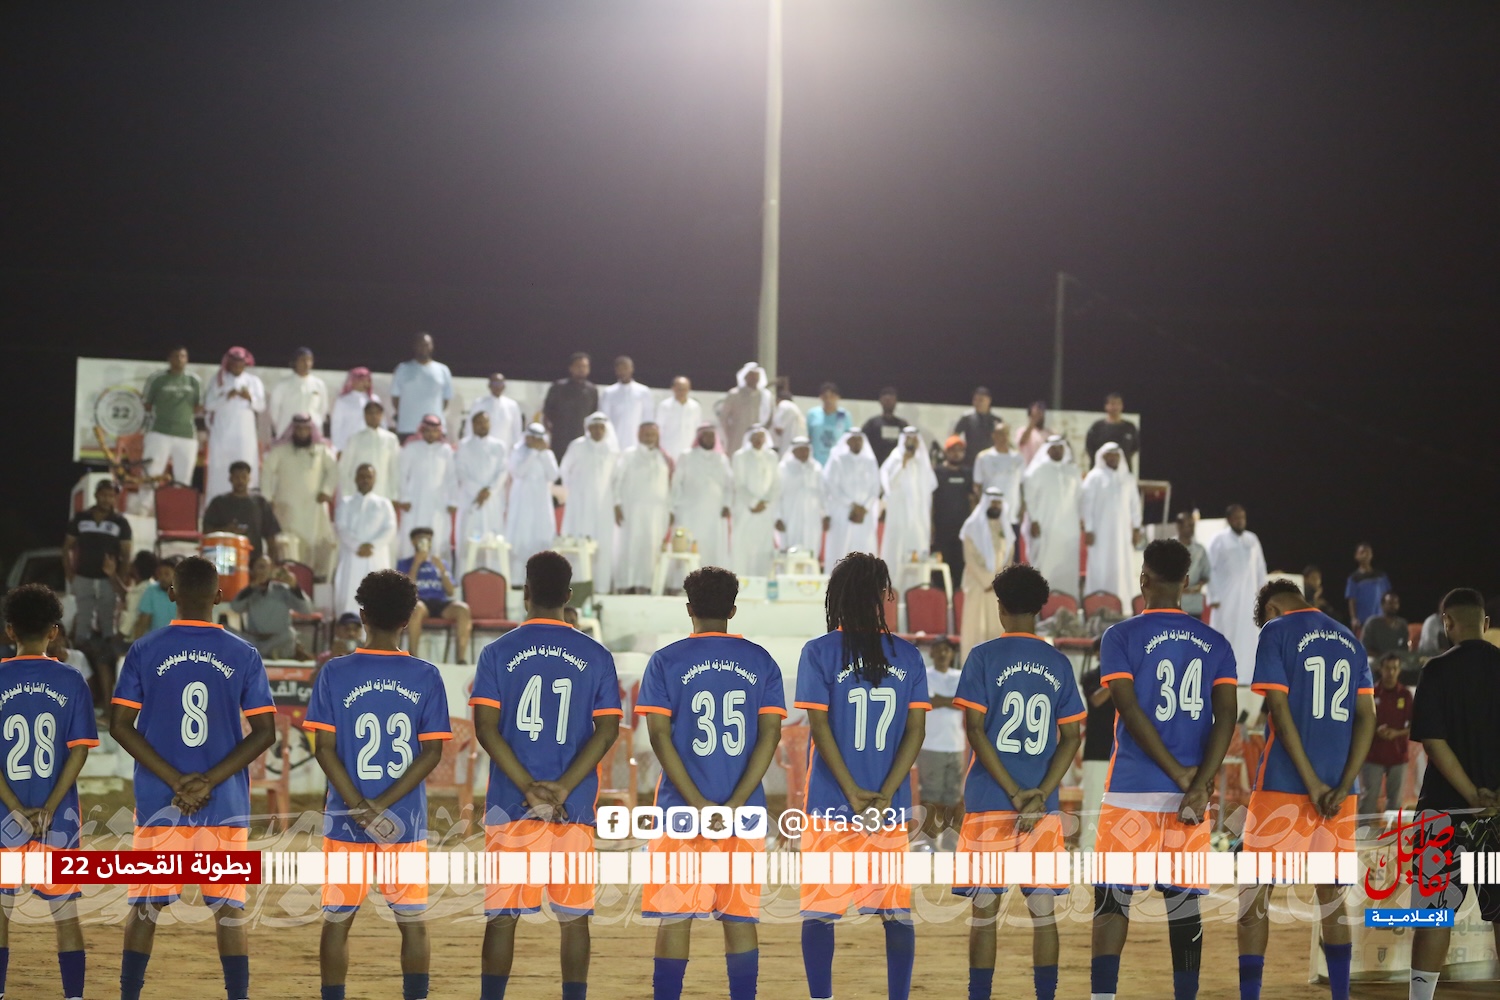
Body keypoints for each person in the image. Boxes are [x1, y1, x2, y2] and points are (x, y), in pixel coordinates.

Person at [109, 555, 277, 1000]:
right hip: (223, 804)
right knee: (229, 910)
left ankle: (129, 995)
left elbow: (120, 725)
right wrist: (207, 781)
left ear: (172, 594)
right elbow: (265, 732)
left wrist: (174, 780)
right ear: (219, 596)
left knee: (145, 907)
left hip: (158, 801)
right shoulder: (243, 653)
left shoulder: (144, 649)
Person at [469, 551, 623, 1000]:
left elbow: (486, 729)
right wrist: (562, 788)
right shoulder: (596, 654)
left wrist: (528, 788)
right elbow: (607, 730)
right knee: (574, 918)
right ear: (569, 596)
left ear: (526, 593)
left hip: (510, 804)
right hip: (572, 808)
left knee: (502, 918)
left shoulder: (497, 652)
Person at [1090, 540, 1238, 1000]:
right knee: (1184, 904)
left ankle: (1102, 997)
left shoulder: (1120, 636)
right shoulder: (1216, 642)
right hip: (1190, 796)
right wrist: (1199, 783)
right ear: (1187, 584)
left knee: (1112, 901)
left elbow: (1129, 709)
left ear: (1144, 579)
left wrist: (1179, 774)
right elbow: (1227, 716)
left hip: (1130, 789)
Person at [634, 567, 786, 1000]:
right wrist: (735, 803)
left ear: (689, 609)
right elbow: (770, 736)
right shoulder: (761, 661)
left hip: (679, 810)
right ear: (733, 610)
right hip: (744, 812)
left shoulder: (665, 660)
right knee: (739, 918)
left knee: (675, 917)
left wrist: (698, 803)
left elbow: (659, 736)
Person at [303, 568, 450, 1000]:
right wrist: (382, 804)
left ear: (363, 615)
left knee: (337, 920)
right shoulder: (426, 675)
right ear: (408, 618)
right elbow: (432, 753)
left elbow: (323, 749)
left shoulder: (335, 672)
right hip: (403, 821)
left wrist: (359, 805)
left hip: (346, 820)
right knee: (412, 921)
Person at [794, 552, 928, 1000]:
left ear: (837, 596)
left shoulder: (818, 652)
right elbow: (915, 732)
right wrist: (886, 793)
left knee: (820, 913)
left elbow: (819, 728)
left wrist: (851, 792)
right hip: (888, 810)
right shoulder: (908, 655)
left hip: (830, 804)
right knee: (896, 914)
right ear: (883, 595)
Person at [952, 564, 1086, 1000]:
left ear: (1000, 607)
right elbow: (1072, 737)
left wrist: (1013, 793)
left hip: (990, 799)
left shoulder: (982, 657)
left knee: (984, 914)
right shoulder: (1058, 662)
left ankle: (979, 995)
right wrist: (1039, 794)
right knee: (1044, 914)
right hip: (1040, 809)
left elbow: (975, 731)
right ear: (1040, 608)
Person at [1237, 579, 1375, 1000]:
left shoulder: (1275, 631)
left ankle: (1250, 995)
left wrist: (1311, 782)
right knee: (1331, 894)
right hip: (1340, 790)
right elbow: (1367, 718)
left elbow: (1278, 710)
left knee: (1255, 891)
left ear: (1271, 609)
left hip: (1283, 784)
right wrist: (1343, 783)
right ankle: (1340, 995)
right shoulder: (1351, 640)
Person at [0, 584, 98, 1000]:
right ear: (54, 631)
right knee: (65, 913)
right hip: (57, 821)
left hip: (3, 818)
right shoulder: (71, 679)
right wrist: (48, 808)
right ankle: (74, 995)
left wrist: (16, 807)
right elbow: (79, 751)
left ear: (10, 630)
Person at [1405, 588, 1500, 1000]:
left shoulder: (1436, 670)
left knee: (1434, 917)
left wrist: (1470, 795)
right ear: (1485, 623)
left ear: (1447, 623)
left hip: (1443, 817)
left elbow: (1433, 741)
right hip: (1497, 822)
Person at [261, 412, 338, 578]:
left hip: (314, 508)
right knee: (289, 547)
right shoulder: (280, 451)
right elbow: (266, 470)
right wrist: (267, 498)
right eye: (298, 429)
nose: (302, 432)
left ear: (311, 430)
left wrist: (326, 491)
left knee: (316, 546)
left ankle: (313, 581)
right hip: (288, 508)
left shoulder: (321, 450)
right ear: (293, 430)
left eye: (305, 429)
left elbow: (333, 470)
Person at [63, 479, 132, 664]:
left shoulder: (120, 522)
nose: (107, 499)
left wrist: (119, 580)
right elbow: (67, 548)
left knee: (108, 624)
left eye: (111, 496)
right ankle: (80, 666)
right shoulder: (81, 518)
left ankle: (107, 665)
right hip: (83, 577)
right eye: (103, 495)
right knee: (82, 624)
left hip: (107, 580)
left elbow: (126, 555)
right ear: (96, 495)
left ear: (115, 498)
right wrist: (70, 575)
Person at [559, 413, 620, 593]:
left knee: (602, 544)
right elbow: (565, 469)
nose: (598, 431)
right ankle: (576, 586)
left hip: (603, 505)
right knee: (578, 541)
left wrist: (616, 502)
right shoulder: (577, 446)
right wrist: (573, 490)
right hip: (579, 503)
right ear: (588, 428)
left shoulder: (612, 450)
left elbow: (616, 479)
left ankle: (601, 587)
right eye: (594, 427)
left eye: (601, 427)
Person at [1207, 504, 1267, 684]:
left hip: (1250, 600)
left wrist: (1264, 596)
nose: (1240, 521)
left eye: (1243, 517)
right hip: (1226, 601)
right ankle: (1225, 678)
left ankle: (1247, 677)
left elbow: (1260, 569)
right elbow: (1210, 570)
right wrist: (1214, 596)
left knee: (1249, 638)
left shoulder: (1252, 539)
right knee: (1227, 637)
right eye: (1236, 518)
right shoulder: (1218, 540)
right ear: (1229, 520)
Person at [611, 421, 672, 594]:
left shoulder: (662, 457)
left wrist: (669, 510)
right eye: (646, 434)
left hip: (656, 514)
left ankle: (647, 586)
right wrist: (617, 504)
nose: (649, 437)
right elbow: (617, 480)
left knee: (651, 548)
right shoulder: (629, 455)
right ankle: (626, 585)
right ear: (638, 435)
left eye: (653, 434)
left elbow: (668, 486)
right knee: (630, 546)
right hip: (632, 511)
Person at [917, 638, 966, 852]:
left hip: (956, 745)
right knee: (930, 796)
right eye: (938, 650)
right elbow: (929, 702)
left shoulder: (960, 676)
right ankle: (928, 841)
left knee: (953, 798)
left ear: (952, 654)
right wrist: (950, 701)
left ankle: (950, 841)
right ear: (931, 653)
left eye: (946, 650)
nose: (942, 654)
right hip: (931, 746)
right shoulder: (924, 675)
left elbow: (962, 704)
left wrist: (941, 700)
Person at [1080, 442, 1142, 606]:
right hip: (1099, 534)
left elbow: (1135, 505)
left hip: (1123, 534)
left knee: (1122, 566)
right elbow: (1086, 505)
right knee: (1100, 566)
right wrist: (1089, 529)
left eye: (1116, 455)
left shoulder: (1127, 478)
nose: (1113, 458)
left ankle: (1124, 605)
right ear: (1104, 457)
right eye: (1110, 455)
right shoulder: (1094, 477)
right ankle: (1097, 604)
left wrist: (1136, 527)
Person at [398, 527, 472, 664]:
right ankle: (413, 656)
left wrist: (443, 570)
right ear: (413, 541)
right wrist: (416, 564)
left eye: (428, 540)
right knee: (416, 608)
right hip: (420, 601)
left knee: (463, 609)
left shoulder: (440, 563)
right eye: (421, 539)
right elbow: (405, 589)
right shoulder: (404, 563)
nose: (425, 542)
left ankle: (461, 659)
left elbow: (450, 591)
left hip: (441, 602)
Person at [333, 463, 398, 617]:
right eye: (361, 476)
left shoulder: (384, 503)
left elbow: (390, 528)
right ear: (355, 479)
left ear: (374, 479)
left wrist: (372, 546)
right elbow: (341, 528)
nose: (365, 480)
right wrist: (357, 546)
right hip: (351, 556)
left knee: (377, 599)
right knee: (350, 595)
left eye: (369, 477)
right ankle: (348, 629)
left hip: (376, 556)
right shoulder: (345, 503)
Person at [878, 427, 937, 593]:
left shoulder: (923, 462)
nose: (911, 442)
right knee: (896, 555)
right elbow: (888, 484)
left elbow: (929, 493)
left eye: (914, 438)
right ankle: (893, 593)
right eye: (908, 438)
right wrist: (903, 464)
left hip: (919, 522)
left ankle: (916, 594)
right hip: (899, 520)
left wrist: (930, 521)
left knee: (917, 556)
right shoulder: (895, 458)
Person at [1021, 437, 1080, 601]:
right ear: (1047, 450)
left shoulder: (1072, 471)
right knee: (1044, 566)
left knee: (1067, 566)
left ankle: (1068, 603)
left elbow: (1080, 497)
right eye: (1054, 448)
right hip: (1045, 527)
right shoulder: (1037, 471)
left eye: (1060, 448)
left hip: (1069, 528)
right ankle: (1041, 605)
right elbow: (1029, 498)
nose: (1057, 451)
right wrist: (1033, 520)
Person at [203, 346, 266, 497]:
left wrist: (250, 398)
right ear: (229, 363)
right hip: (222, 435)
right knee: (220, 469)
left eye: (240, 363)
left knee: (246, 466)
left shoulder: (253, 381)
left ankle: (247, 503)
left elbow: (261, 406)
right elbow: (208, 405)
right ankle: (217, 502)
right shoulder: (218, 380)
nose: (237, 366)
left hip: (245, 437)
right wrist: (226, 397)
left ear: (245, 363)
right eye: (234, 363)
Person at [1358, 652, 1413, 823]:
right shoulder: (1371, 693)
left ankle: (1393, 836)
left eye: (1395, 668)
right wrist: (1375, 731)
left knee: (1395, 802)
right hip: (1373, 755)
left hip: (1398, 756)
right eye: (1388, 668)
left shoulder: (1405, 695)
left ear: (1399, 670)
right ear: (1380, 669)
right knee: (1369, 798)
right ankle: (1363, 834)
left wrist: (1397, 733)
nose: (1391, 672)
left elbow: (1414, 726)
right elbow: (1359, 721)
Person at [670, 425, 733, 571]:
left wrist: (727, 505)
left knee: (712, 548)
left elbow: (729, 486)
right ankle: (684, 580)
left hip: (714, 513)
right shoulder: (686, 456)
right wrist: (675, 506)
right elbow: (676, 483)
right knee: (688, 547)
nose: (709, 439)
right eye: (706, 435)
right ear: (699, 438)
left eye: (712, 436)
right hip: (689, 512)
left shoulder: (722, 459)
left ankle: (711, 580)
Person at [396, 414, 458, 561]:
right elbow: (401, 475)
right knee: (411, 536)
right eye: (428, 431)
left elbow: (452, 478)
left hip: (438, 503)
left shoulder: (446, 451)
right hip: (414, 502)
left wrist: (453, 501)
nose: (431, 434)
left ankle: (436, 571)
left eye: (435, 431)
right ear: (422, 431)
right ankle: (410, 570)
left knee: (438, 536)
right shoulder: (411, 448)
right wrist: (404, 498)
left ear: (439, 432)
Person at [455, 410, 511, 572]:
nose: (482, 425)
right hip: (470, 498)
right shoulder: (464, 445)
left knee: (493, 539)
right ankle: (465, 577)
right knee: (468, 538)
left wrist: (489, 491)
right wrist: (477, 491)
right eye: (479, 422)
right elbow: (461, 471)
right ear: (472, 425)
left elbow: (503, 471)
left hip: (492, 500)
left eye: (485, 422)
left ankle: (493, 577)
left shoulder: (499, 446)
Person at [957, 488, 1010, 658]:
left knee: (996, 630)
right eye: (993, 502)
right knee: (975, 631)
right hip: (978, 586)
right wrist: (988, 581)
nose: (996, 506)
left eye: (998, 503)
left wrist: (999, 581)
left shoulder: (1006, 528)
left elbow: (1008, 558)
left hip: (998, 590)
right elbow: (970, 558)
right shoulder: (971, 527)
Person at [506, 424, 562, 582]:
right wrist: (533, 452)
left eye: (539, 439)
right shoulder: (518, 451)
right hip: (522, 503)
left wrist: (542, 453)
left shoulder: (547, 454)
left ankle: (541, 579)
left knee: (541, 537)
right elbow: (518, 472)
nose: (536, 441)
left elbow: (553, 475)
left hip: (541, 503)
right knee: (521, 538)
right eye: (533, 438)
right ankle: (517, 580)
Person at [141, 345, 202, 486]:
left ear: (187, 359)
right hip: (159, 432)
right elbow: (147, 404)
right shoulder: (157, 379)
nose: (179, 359)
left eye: (183, 356)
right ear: (169, 359)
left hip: (186, 435)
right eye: (176, 356)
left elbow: (198, 406)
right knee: (150, 475)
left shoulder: (194, 380)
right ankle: (145, 501)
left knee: (184, 479)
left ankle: (180, 501)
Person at [230, 556, 313, 660]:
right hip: (255, 639)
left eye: (269, 567)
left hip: (278, 640)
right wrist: (252, 587)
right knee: (227, 631)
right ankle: (267, 653)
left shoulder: (282, 589)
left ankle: (259, 653)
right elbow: (235, 607)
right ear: (252, 571)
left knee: (290, 634)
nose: (265, 571)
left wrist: (295, 587)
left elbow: (307, 610)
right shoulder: (249, 591)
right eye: (261, 567)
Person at [820, 430, 880, 566]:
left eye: (859, 440)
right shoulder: (837, 460)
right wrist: (852, 504)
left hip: (864, 515)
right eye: (853, 439)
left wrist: (865, 507)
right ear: (847, 442)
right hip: (842, 512)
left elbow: (875, 487)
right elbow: (832, 486)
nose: (857, 442)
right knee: (840, 551)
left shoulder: (870, 461)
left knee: (864, 551)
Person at [203, 461, 282, 563]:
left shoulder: (260, 503)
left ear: (249, 478)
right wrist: (226, 530)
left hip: (254, 560)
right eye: (236, 477)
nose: (240, 480)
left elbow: (271, 536)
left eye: (244, 477)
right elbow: (206, 532)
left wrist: (273, 562)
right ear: (230, 478)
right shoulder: (218, 503)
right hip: (224, 558)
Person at [730, 426, 781, 577]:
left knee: (763, 547)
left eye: (761, 437)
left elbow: (776, 483)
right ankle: (740, 582)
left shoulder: (771, 456)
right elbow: (738, 483)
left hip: (765, 510)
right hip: (745, 509)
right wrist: (753, 502)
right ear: (749, 438)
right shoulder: (740, 456)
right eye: (755, 437)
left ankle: (761, 581)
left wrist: (765, 502)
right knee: (742, 546)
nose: (758, 440)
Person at [1078, 659, 1113, 851]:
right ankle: (1088, 849)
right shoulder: (1091, 677)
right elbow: (1096, 700)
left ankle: (1111, 849)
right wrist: (1117, 681)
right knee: (1093, 802)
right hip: (1096, 751)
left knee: (1117, 805)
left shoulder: (1130, 678)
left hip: (1121, 751)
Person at [391, 333, 454, 439]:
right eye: (420, 344)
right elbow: (395, 398)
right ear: (414, 346)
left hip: (434, 429)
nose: (423, 347)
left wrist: (432, 418)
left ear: (432, 347)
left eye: (426, 344)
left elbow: (445, 401)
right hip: (407, 427)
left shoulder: (443, 370)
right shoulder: (402, 368)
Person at [931, 436, 974, 589]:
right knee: (940, 567)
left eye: (960, 450)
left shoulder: (967, 473)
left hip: (962, 530)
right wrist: (931, 525)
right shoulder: (938, 472)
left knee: (960, 565)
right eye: (953, 450)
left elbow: (972, 499)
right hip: (942, 529)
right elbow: (931, 500)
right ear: (946, 452)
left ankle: (957, 597)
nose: (956, 454)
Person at [338, 398, 401, 500]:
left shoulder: (391, 439)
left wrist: (394, 496)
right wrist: (347, 493)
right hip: (357, 494)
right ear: (364, 415)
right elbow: (344, 468)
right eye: (370, 413)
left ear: (381, 415)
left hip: (383, 494)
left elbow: (395, 470)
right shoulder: (355, 439)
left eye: (377, 413)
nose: (373, 416)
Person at [775, 436, 826, 559]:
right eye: (800, 450)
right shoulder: (783, 468)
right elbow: (776, 495)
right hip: (790, 517)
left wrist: (825, 515)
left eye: (806, 450)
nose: (804, 453)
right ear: (793, 451)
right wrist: (777, 517)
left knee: (811, 548)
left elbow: (823, 494)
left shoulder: (816, 468)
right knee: (790, 549)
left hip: (812, 518)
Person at [542, 352, 599, 461]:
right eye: (579, 366)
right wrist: (552, 432)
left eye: (585, 366)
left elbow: (593, 415)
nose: (582, 369)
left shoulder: (592, 390)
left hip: (582, 440)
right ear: (571, 368)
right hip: (560, 440)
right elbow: (547, 414)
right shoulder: (558, 387)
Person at [267, 346, 330, 438]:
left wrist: (316, 423)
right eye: (302, 360)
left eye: (309, 360)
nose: (306, 363)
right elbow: (274, 411)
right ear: (295, 362)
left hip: (312, 433)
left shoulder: (319, 385)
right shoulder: (282, 385)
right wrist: (283, 427)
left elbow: (323, 409)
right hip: (287, 432)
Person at [971, 422, 1024, 530]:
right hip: (990, 515)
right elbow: (977, 487)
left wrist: (1023, 510)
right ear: (993, 435)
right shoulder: (983, 457)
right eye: (1000, 434)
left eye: (1006, 434)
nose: (1003, 437)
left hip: (1011, 515)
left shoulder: (1018, 458)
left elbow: (1022, 486)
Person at [717, 363, 773, 457]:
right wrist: (727, 435)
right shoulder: (734, 394)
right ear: (745, 377)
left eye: (756, 376)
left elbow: (770, 419)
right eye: (751, 376)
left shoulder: (765, 396)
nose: (754, 378)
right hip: (737, 436)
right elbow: (724, 417)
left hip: (758, 439)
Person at [598, 355, 654, 448]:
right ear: (616, 371)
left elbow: (648, 418)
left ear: (632, 369)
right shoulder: (609, 392)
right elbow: (604, 419)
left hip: (636, 441)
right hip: (613, 441)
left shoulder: (643, 391)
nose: (623, 372)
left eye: (625, 368)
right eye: (620, 369)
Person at [465, 372, 523, 448]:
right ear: (489, 385)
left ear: (504, 386)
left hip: (505, 450)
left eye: (500, 383)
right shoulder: (479, 403)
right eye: (495, 383)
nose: (497, 386)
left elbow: (516, 431)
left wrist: (516, 449)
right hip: (482, 449)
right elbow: (469, 427)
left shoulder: (512, 405)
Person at [1084, 392, 1140, 471]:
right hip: (1100, 471)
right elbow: (1089, 448)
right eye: (1113, 404)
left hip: (1123, 472)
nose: (1115, 407)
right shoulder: (1097, 427)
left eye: (1118, 404)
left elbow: (1134, 448)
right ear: (1106, 406)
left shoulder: (1130, 427)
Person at [1344, 542, 1390, 634]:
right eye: (1362, 552)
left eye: (1368, 552)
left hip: (1380, 620)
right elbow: (1352, 600)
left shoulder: (1381, 576)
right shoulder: (1354, 578)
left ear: (1371, 555)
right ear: (1356, 556)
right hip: (1362, 622)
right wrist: (1354, 618)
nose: (1365, 555)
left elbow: (1387, 596)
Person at [329, 367, 378, 453]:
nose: (365, 383)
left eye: (367, 380)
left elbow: (382, 424)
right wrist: (336, 448)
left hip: (370, 445)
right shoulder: (343, 400)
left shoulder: (375, 400)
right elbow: (336, 425)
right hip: (348, 445)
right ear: (353, 381)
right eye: (361, 380)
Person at [804, 381, 851, 466]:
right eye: (825, 397)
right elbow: (809, 437)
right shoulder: (812, 414)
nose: (828, 400)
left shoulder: (843, 415)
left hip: (837, 463)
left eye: (832, 396)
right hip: (817, 463)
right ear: (821, 397)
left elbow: (847, 439)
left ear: (838, 397)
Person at [656, 376, 702, 461]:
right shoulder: (665, 405)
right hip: (668, 448)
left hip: (688, 448)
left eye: (685, 389)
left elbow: (698, 428)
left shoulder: (695, 406)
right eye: (679, 389)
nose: (682, 392)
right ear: (673, 389)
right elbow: (658, 428)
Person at [952, 386, 999, 470]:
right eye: (975, 400)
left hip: (991, 461)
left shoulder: (996, 420)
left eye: (981, 400)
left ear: (988, 401)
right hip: (970, 462)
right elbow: (954, 437)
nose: (977, 403)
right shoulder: (967, 418)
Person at [132, 554, 179, 638]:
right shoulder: (152, 591)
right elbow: (143, 622)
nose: (162, 578)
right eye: (160, 574)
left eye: (167, 574)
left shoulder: (185, 594)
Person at [862, 386, 907, 467]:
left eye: (891, 400)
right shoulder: (872, 424)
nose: (888, 403)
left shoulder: (903, 425)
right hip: (875, 467)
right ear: (880, 402)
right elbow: (863, 445)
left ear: (895, 402)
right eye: (886, 401)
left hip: (897, 468)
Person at [1176, 512, 1211, 617]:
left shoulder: (1200, 550)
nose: (1191, 529)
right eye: (1188, 525)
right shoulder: (1169, 549)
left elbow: (1206, 574)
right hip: (1175, 605)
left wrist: (1198, 586)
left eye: (1193, 525)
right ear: (1179, 527)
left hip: (1194, 604)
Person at [1360, 591, 1410, 660]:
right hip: (1376, 660)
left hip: (1396, 661)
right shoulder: (1372, 623)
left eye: (1396, 603)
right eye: (1390, 603)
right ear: (1382, 605)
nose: (1393, 606)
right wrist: (1384, 658)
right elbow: (1364, 648)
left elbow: (1405, 649)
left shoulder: (1402, 624)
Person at [769, 376, 807, 454]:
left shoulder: (784, 404)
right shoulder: (794, 408)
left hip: (784, 447)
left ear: (778, 400)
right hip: (795, 446)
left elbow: (778, 428)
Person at [1015, 401, 1051, 468]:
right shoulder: (1022, 431)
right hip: (1028, 469)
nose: (1040, 416)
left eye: (1041, 413)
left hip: (1044, 469)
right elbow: (1022, 442)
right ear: (1030, 416)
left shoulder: (1049, 433)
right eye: (1036, 414)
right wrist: (1033, 422)